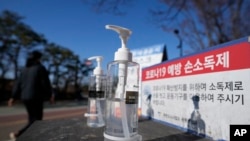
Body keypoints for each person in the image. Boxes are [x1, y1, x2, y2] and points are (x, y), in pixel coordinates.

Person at [8, 50, 54, 140]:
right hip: (36, 97)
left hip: (25, 97)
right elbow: (45, 83)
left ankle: (26, 135)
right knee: (37, 121)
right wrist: (50, 95)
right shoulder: (40, 68)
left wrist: (13, 97)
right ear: (38, 59)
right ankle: (19, 134)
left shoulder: (24, 70)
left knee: (32, 119)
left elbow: (18, 84)